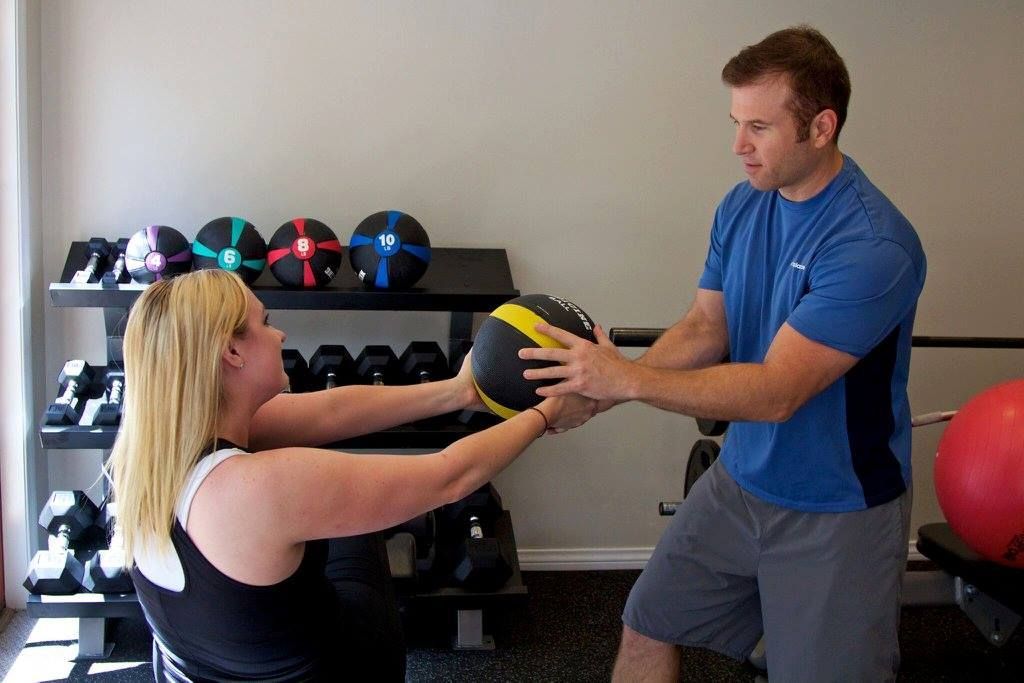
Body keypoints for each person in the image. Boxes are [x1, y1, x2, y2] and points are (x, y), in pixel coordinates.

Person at [520, 25, 927, 683]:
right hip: (739, 482)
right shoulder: (743, 204)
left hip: (836, 509)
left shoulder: (872, 245)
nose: (737, 145)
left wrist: (626, 380)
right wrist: (605, 388)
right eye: (735, 121)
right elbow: (707, 325)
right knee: (648, 620)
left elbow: (776, 391)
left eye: (758, 127)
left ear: (821, 127)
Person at [105, 267, 594, 682]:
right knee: (369, 527)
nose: (280, 335)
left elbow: (330, 413)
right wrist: (547, 414)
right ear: (231, 353)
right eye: (265, 323)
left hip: (209, 665)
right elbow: (450, 477)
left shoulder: (154, 448)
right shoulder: (251, 490)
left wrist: (459, 391)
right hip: (335, 669)